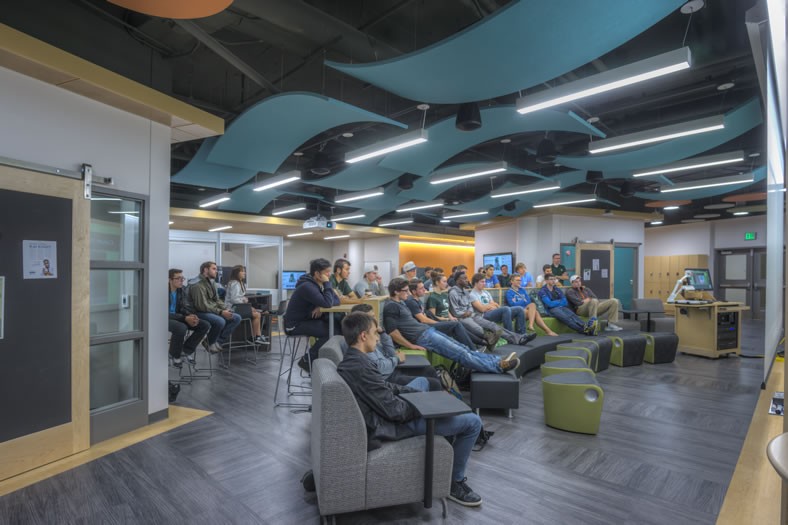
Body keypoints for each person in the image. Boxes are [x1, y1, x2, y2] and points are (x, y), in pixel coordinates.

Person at [336, 311, 483, 507]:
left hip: (384, 416)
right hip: (390, 426)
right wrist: (431, 405)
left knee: (422, 382)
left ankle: (445, 452)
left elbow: (386, 387)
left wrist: (415, 393)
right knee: (473, 422)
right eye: (374, 333)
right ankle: (454, 483)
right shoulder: (361, 367)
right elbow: (396, 411)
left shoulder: (355, 360)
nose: (378, 337)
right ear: (363, 336)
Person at [383, 277, 520, 374]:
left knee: (464, 348)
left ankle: (496, 360)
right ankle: (498, 366)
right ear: (396, 292)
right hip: (423, 337)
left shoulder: (400, 304)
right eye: (405, 290)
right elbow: (392, 332)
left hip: (427, 332)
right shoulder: (391, 306)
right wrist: (411, 346)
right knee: (461, 353)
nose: (408, 293)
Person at [350, 303, 441, 391]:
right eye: (371, 318)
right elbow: (380, 368)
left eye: (374, 316)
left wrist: (382, 333)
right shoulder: (363, 342)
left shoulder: (373, 335)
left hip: (393, 369)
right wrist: (396, 359)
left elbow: (390, 352)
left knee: (429, 370)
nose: (375, 320)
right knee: (433, 384)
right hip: (387, 378)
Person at [448, 272, 533, 348]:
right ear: (458, 280)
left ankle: (519, 338)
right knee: (479, 329)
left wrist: (469, 311)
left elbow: (470, 306)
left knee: (493, 325)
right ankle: (487, 345)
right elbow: (455, 311)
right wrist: (466, 313)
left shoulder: (466, 292)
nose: (467, 280)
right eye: (464, 278)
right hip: (464, 318)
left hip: (473, 315)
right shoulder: (453, 293)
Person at [284, 258, 341, 371]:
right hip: (294, 325)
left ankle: (323, 362)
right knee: (332, 332)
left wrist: (321, 305)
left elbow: (336, 300)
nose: (329, 275)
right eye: (326, 272)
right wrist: (327, 287)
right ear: (317, 273)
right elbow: (328, 303)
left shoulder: (316, 284)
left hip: (307, 320)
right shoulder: (307, 286)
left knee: (337, 327)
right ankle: (307, 360)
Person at [406, 278, 480, 351]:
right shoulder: (411, 302)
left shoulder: (417, 300)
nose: (424, 289)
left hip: (428, 324)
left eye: (423, 287)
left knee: (459, 325)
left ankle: (478, 344)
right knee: (456, 324)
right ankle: (474, 348)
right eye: (421, 288)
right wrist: (439, 323)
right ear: (414, 291)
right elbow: (423, 320)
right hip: (424, 328)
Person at [190, 261, 242, 353]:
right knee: (220, 321)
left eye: (216, 269)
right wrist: (221, 312)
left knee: (236, 317)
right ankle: (210, 342)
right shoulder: (197, 285)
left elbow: (217, 299)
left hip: (210, 309)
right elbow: (202, 306)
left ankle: (216, 342)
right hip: (198, 311)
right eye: (214, 269)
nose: (216, 271)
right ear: (205, 270)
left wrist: (225, 308)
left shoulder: (212, 282)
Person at [168, 268, 210, 367]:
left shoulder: (182, 290)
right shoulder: (162, 291)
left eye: (182, 278)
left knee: (204, 325)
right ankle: (174, 356)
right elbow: (161, 313)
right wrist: (184, 318)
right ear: (170, 279)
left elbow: (183, 307)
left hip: (178, 317)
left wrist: (190, 315)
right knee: (181, 327)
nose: (181, 281)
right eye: (178, 278)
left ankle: (185, 351)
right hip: (163, 318)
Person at [224, 265, 267, 345]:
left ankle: (257, 337)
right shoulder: (234, 283)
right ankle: (254, 337)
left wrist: (244, 300)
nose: (244, 273)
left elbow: (238, 296)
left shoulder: (239, 282)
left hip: (239, 307)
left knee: (257, 313)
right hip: (233, 308)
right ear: (237, 273)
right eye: (242, 271)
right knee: (257, 315)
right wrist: (244, 301)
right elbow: (234, 299)